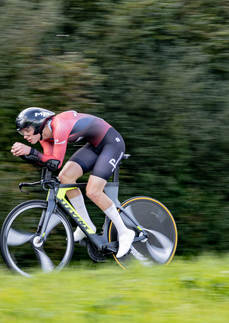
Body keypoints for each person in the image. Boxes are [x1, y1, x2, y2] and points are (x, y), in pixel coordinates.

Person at [9, 107, 135, 259]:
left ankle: (125, 232)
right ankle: (86, 223)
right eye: (22, 132)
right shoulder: (44, 137)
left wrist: (31, 151)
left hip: (112, 144)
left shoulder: (59, 125)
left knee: (93, 191)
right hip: (94, 146)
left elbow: (56, 162)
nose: (25, 136)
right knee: (65, 177)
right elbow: (49, 163)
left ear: (38, 124)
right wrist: (25, 155)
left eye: (27, 130)